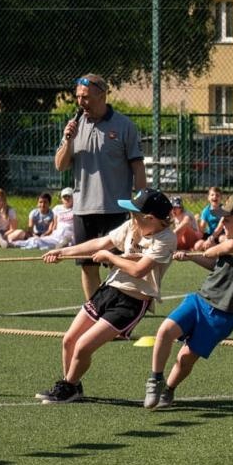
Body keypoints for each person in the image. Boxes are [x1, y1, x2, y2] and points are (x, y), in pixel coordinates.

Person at [37, 189, 177, 404]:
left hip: (132, 302)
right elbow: (100, 243)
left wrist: (110, 257)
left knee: (83, 346)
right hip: (108, 290)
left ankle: (68, 387)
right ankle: (71, 385)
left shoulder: (166, 239)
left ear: (150, 218)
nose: (131, 217)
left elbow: (140, 270)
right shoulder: (133, 226)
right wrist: (63, 252)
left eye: (135, 213)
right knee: (69, 340)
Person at [144, 195, 233, 410]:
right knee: (165, 330)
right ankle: (155, 379)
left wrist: (214, 245)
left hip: (224, 314)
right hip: (200, 299)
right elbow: (216, 264)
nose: (222, 224)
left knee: (185, 358)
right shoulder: (230, 242)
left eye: (226, 220)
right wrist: (192, 256)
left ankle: (169, 390)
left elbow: (225, 249)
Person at [53, 73, 145, 300]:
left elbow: (138, 168)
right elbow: (60, 165)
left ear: (102, 95)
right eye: (78, 97)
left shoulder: (124, 126)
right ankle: (95, 313)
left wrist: (142, 204)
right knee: (87, 266)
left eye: (85, 97)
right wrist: (68, 140)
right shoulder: (74, 126)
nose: (80, 102)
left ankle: (119, 316)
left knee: (119, 266)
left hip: (116, 209)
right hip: (83, 210)